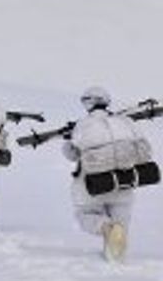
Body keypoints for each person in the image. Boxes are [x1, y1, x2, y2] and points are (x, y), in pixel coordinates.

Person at [62, 86, 153, 262]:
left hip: (93, 185)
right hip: (125, 183)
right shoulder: (126, 122)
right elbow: (144, 150)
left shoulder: (84, 124)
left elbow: (72, 154)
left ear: (89, 103)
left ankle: (105, 227)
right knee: (121, 228)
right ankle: (116, 261)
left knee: (85, 216)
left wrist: (68, 139)